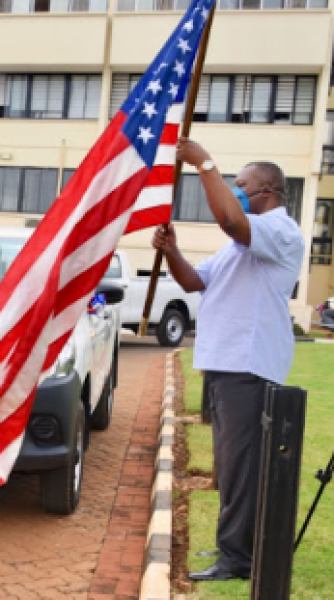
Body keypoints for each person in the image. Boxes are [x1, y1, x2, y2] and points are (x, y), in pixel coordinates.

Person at [153, 139, 304, 583]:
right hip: (226, 365)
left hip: (248, 367)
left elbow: (231, 220)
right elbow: (193, 281)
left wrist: (204, 163)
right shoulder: (239, 245)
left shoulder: (279, 230)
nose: (234, 189)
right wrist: (171, 251)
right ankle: (233, 547)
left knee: (241, 468)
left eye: (242, 184)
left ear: (267, 191)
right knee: (232, 465)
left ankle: (238, 558)